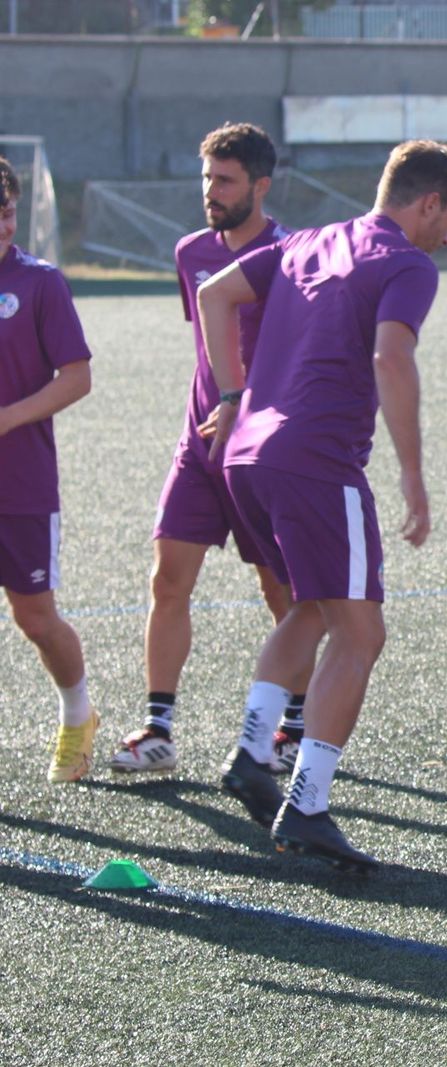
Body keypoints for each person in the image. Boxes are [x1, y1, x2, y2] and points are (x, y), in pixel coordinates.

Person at [200, 140, 447, 871]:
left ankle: (250, 756)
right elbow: (391, 356)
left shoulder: (308, 240)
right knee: (361, 634)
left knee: (313, 609)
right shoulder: (407, 263)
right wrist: (413, 475)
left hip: (248, 457)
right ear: (426, 202)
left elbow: (214, 294)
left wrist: (232, 396)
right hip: (316, 461)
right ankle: (309, 804)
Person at [111, 122, 318, 777]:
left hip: (260, 449)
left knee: (280, 587)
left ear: (261, 184)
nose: (211, 191)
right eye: (207, 178)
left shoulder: (291, 256)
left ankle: (298, 723)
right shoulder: (192, 251)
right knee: (167, 579)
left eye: (225, 180)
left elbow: (301, 357)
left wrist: (253, 413)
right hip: (198, 443)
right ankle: (159, 728)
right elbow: (207, 346)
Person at [0, 156, 97, 784]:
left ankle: (77, 713)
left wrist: (7, 418)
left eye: (5, 212)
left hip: (20, 485)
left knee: (34, 617)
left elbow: (77, 378)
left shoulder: (39, 283)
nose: (1, 225)